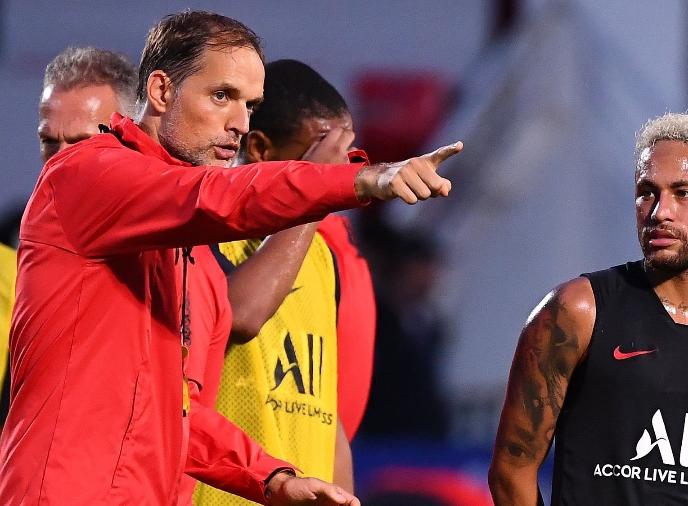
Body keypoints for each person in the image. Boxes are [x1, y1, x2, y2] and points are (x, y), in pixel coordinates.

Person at [1, 10, 461, 505]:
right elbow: (217, 197)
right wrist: (362, 178)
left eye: (251, 104)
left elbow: (178, 416)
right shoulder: (82, 175)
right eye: (222, 96)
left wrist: (273, 479)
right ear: (160, 91)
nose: (241, 123)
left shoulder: (194, 263)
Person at [488, 110, 688, 505]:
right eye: (646, 192)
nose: (659, 212)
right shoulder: (577, 310)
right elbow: (511, 471)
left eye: (683, 193)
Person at [193, 58, 372, 505]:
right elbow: (240, 316)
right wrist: (312, 197)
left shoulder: (322, 257)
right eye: (319, 156)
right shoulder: (203, 230)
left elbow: (326, 414)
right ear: (259, 148)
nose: (334, 175)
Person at [1, 47, 139, 426]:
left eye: (79, 144)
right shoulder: (24, 249)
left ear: (130, 139)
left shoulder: (174, 249)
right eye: (49, 142)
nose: (59, 162)